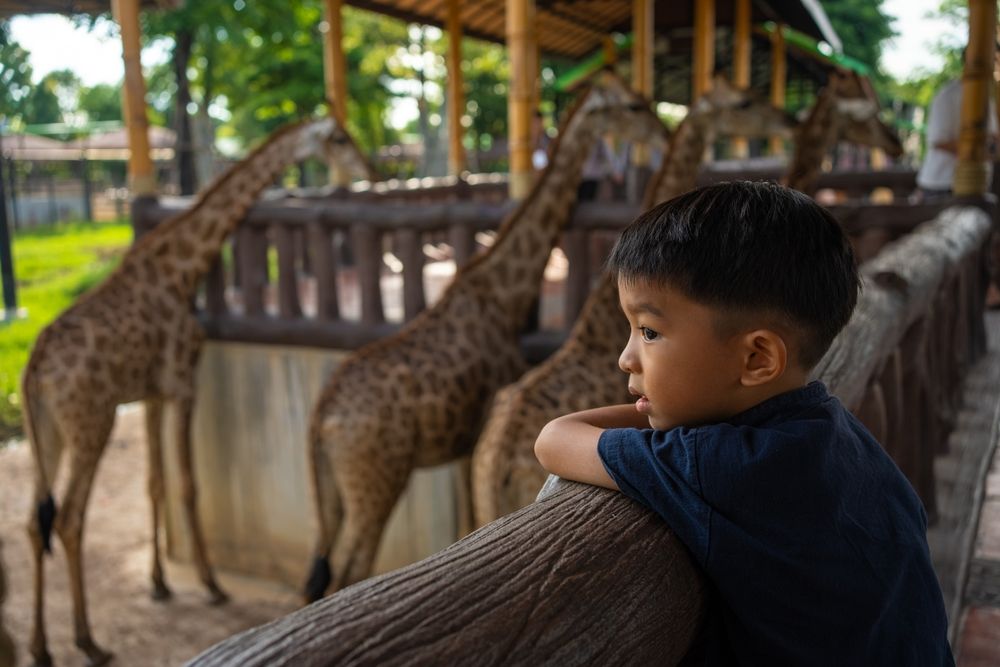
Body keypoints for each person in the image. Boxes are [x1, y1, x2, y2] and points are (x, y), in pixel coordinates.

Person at [535, 181, 953, 664]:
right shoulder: (835, 430)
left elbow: (555, 439)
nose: (626, 357)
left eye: (649, 331)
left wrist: (652, 414)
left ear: (757, 358)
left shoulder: (720, 463)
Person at [916, 73, 997, 200]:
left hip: (978, 184)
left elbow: (993, 135)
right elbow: (938, 141)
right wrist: (977, 152)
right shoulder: (947, 95)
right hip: (942, 184)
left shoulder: (986, 95)